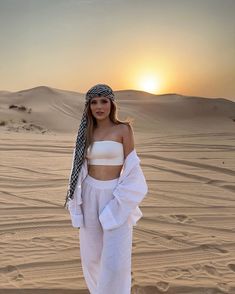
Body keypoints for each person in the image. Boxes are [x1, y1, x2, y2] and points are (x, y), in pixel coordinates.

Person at [64, 84, 148, 294]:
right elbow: (77, 168)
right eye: (94, 102)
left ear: (111, 103)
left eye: (104, 101)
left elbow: (131, 169)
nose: (99, 106)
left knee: (115, 260)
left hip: (115, 196)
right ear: (88, 106)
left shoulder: (123, 129)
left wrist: (119, 204)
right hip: (89, 195)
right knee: (91, 257)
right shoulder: (86, 132)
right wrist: (76, 202)